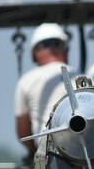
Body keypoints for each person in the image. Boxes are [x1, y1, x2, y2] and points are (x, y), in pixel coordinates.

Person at [14, 23, 72, 160]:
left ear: (35, 53)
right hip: (86, 152)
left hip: (47, 156)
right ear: (65, 49)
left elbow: (24, 133)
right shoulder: (85, 77)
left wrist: (35, 150)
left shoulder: (26, 81)